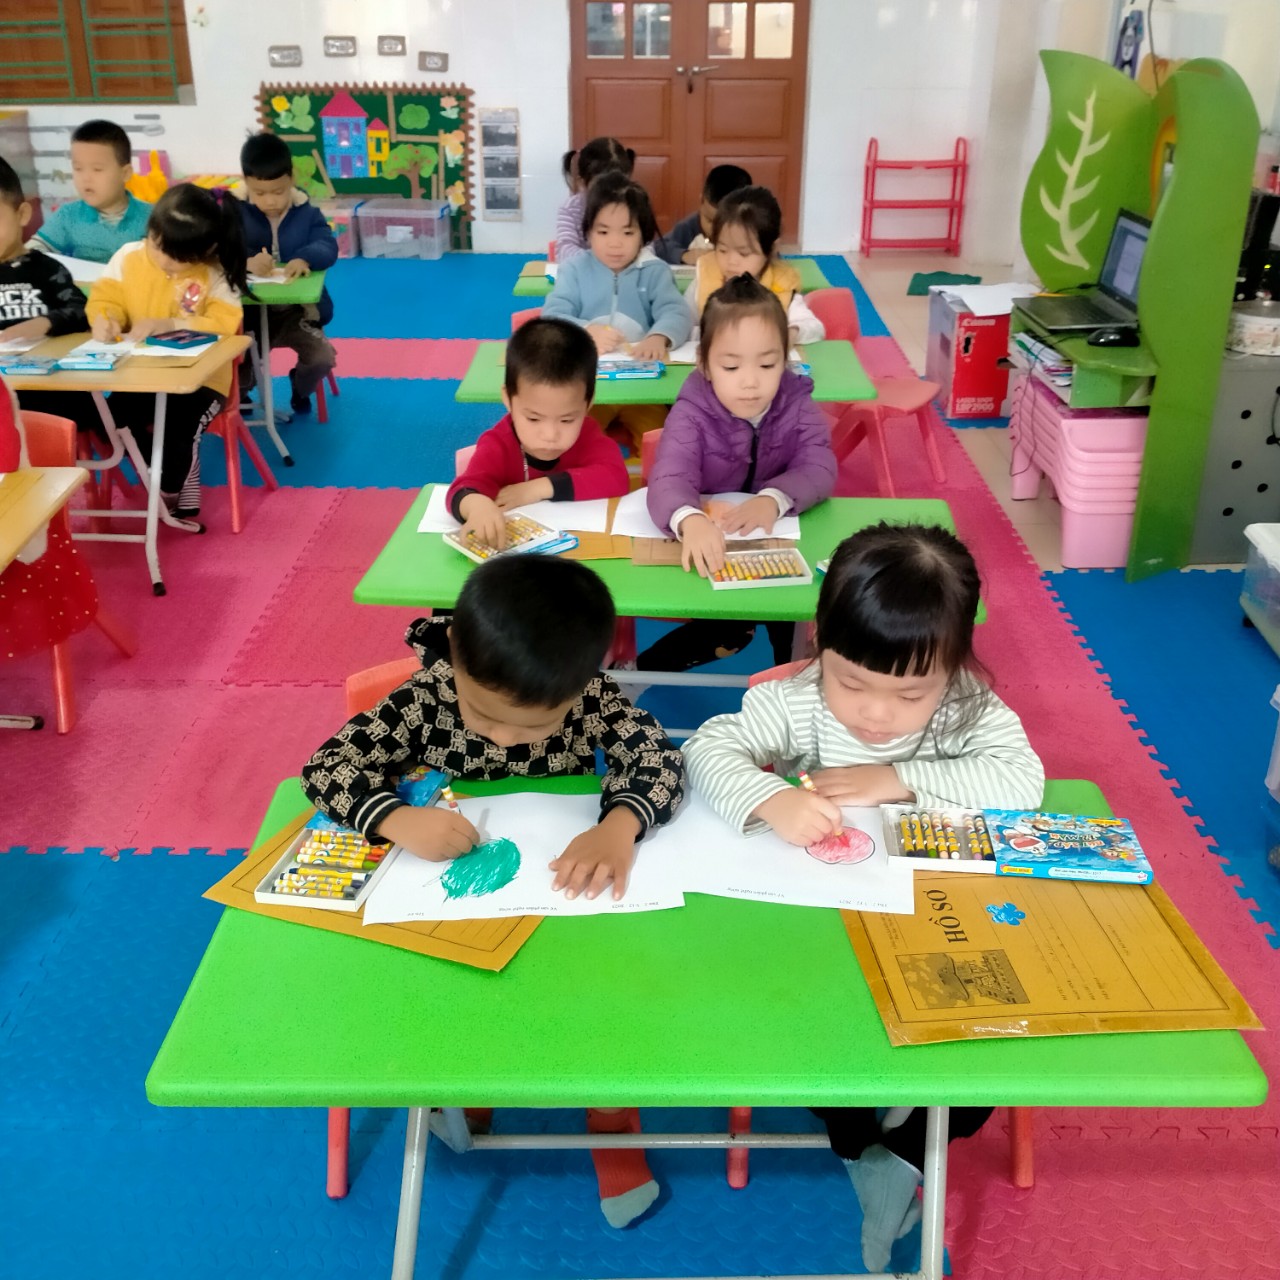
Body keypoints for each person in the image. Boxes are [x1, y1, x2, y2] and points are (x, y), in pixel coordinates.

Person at [683, 522, 1045, 1272]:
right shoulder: (797, 701)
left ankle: (904, 1153)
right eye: (851, 683)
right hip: (826, 938)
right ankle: (856, 1144)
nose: (876, 715)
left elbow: (1021, 784)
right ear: (820, 646)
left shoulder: (968, 708)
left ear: (953, 666)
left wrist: (898, 778)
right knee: (801, 1032)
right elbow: (706, 747)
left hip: (939, 926)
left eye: (910, 693)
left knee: (994, 1049)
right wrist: (770, 798)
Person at [300, 555, 685, 1229]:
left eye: (533, 727)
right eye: (484, 714)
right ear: (455, 652)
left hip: (561, 895)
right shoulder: (426, 696)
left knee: (600, 996)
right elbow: (326, 767)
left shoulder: (591, 696)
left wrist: (620, 824)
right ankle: (473, 1086)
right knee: (463, 999)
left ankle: (611, 1116)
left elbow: (659, 757)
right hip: (457, 899)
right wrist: (394, 817)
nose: (505, 738)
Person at [638, 275, 835, 672]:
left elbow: (820, 465)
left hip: (780, 543)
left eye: (768, 364)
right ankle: (642, 671)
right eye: (731, 365)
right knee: (724, 626)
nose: (750, 381)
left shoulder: (796, 401)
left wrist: (775, 498)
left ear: (785, 358)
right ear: (704, 364)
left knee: (796, 618)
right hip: (714, 551)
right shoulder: (691, 412)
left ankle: (794, 686)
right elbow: (669, 475)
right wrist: (689, 519)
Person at [86, 184, 246, 519]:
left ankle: (172, 479)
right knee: (109, 422)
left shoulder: (213, 272)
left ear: (205, 250)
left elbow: (225, 322)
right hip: (139, 377)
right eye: (158, 247)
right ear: (151, 231)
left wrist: (170, 323)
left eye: (178, 258)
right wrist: (106, 319)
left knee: (178, 429)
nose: (164, 261)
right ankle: (163, 475)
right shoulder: (128, 257)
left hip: (202, 382)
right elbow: (105, 299)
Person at [445, 316, 628, 547]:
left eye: (567, 420)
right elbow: (462, 490)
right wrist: (477, 506)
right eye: (533, 418)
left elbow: (616, 477)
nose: (550, 435)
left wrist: (539, 488)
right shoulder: (498, 444)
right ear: (508, 399)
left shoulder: (588, 435)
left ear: (588, 404)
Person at [543, 170, 691, 451]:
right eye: (603, 232)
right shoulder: (575, 270)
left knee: (662, 442)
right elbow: (552, 316)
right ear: (588, 232)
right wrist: (585, 332)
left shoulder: (654, 271)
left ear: (644, 234)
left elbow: (677, 312)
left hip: (642, 386)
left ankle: (642, 476)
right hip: (587, 387)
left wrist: (659, 336)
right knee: (573, 438)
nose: (615, 242)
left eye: (627, 232)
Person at [234, 132, 338, 414]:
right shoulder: (235, 213)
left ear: (291, 179)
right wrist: (246, 261)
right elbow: (219, 250)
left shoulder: (307, 212)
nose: (270, 201)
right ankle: (242, 395)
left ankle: (299, 387)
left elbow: (327, 244)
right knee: (235, 367)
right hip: (251, 313)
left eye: (278, 192)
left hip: (298, 312)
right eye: (260, 193)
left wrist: (305, 257)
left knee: (321, 358)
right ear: (246, 183)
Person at [0, 156, 93, 428]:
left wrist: (45, 323)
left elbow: (83, 310)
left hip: (52, 390)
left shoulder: (46, 269)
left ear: (22, 214)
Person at [688, 185, 824, 345]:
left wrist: (791, 333)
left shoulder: (782, 283)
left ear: (771, 249)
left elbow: (814, 328)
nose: (731, 261)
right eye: (722, 250)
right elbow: (682, 321)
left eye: (744, 253)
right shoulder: (706, 275)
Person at [26, 119, 151, 264]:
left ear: (125, 173)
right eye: (78, 168)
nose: (85, 178)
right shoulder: (68, 215)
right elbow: (34, 249)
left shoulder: (153, 217)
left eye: (97, 169)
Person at [554, 135, 634, 265]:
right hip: (585, 270)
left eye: (618, 184)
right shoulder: (571, 209)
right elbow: (564, 250)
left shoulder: (634, 204)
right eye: (601, 186)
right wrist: (601, 261)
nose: (610, 192)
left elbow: (647, 246)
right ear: (582, 183)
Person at [652, 163, 752, 265]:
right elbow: (658, 247)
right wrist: (684, 255)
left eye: (724, 224)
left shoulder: (755, 229)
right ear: (701, 201)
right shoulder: (689, 227)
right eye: (709, 221)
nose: (714, 230)